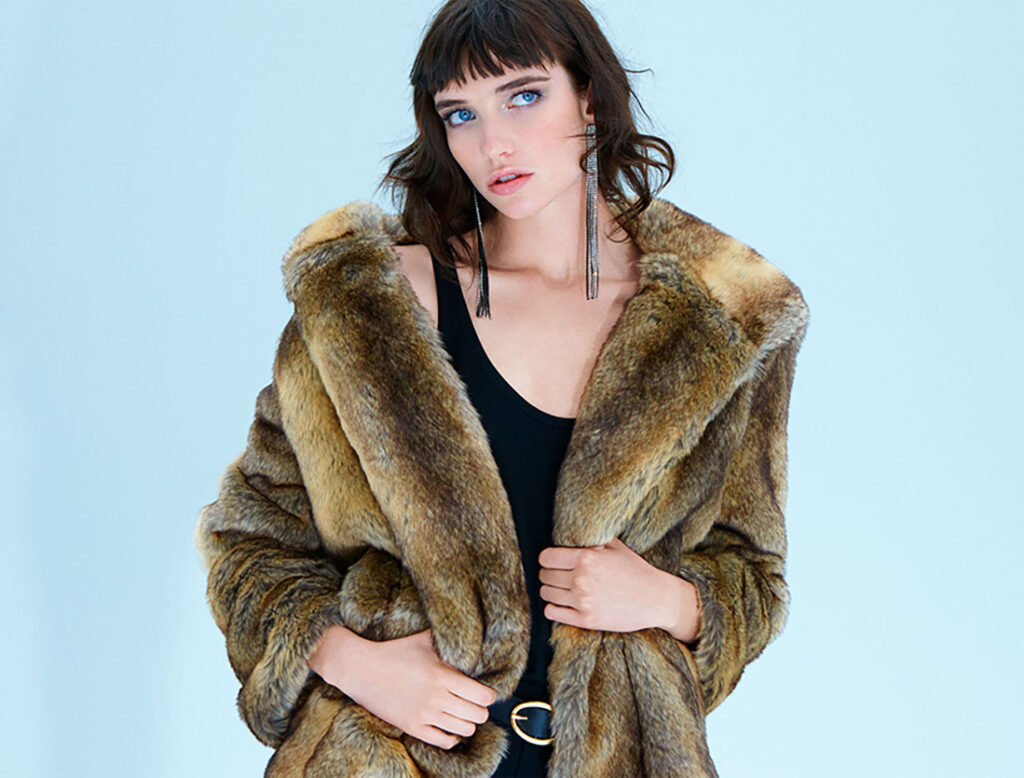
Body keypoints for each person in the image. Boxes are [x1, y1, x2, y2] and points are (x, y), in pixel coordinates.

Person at [193, 1, 810, 776]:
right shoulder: (370, 306)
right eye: (460, 114)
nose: (493, 145)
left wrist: (669, 602)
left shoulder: (726, 323)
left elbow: (753, 575)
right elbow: (250, 541)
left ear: (590, 96)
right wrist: (355, 663)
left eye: (523, 96)